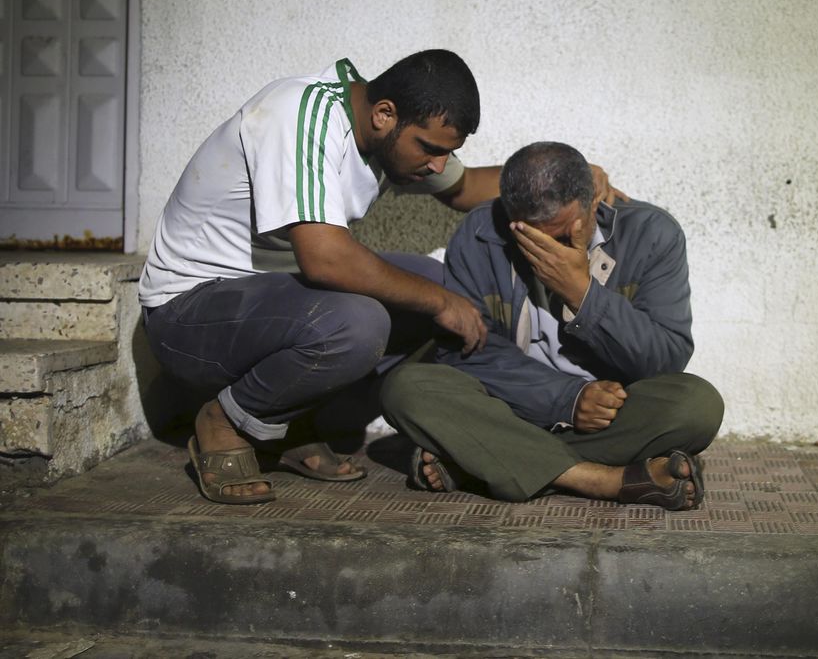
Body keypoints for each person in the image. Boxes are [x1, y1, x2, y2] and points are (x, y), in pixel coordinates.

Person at [139, 50, 619, 505]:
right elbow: (325, 260)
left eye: (443, 152)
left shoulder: (391, 134)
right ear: (384, 114)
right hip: (188, 316)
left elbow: (467, 187)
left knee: (440, 286)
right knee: (363, 320)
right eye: (429, 149)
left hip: (266, 306)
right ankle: (223, 421)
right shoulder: (300, 115)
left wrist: (572, 176)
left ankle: (288, 426)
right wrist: (437, 302)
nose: (436, 164)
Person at [381, 141, 724, 511]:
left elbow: (665, 357)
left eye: (562, 236)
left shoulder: (651, 234)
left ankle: (478, 459)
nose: (549, 251)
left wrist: (582, 293)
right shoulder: (479, 234)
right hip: (511, 406)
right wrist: (567, 399)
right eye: (530, 237)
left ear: (593, 200)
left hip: (608, 413)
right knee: (406, 388)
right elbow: (466, 352)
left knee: (696, 406)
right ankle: (604, 480)